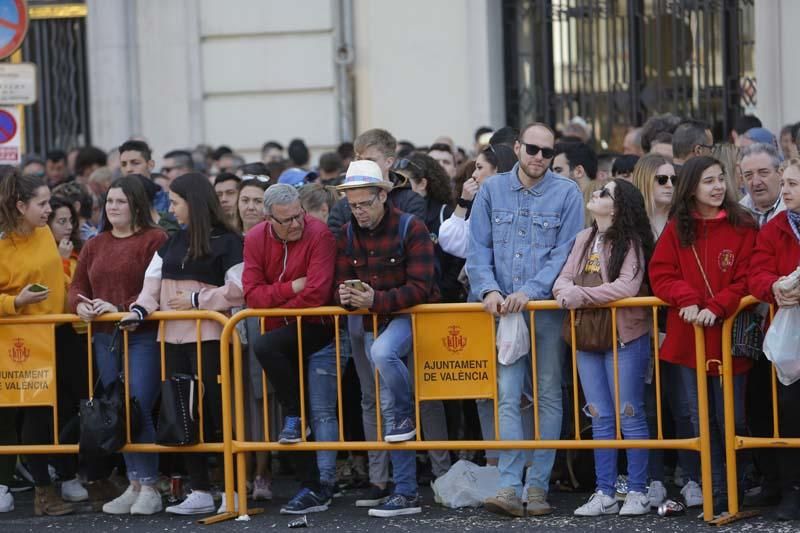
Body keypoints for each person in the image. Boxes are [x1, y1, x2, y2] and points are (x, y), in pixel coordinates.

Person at [468, 123, 584, 517]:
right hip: (502, 310)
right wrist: (489, 291)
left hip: (545, 310)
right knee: (507, 395)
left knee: (549, 393)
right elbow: (477, 248)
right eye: (531, 149)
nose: (538, 157)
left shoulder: (567, 193)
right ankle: (508, 485)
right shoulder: (491, 190)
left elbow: (564, 254)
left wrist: (529, 291)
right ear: (516, 147)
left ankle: (537, 488)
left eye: (546, 152)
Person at [122, 172, 244, 516]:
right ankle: (200, 489)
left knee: (220, 413)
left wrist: (196, 299)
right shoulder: (171, 242)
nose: (170, 209)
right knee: (183, 414)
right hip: (172, 338)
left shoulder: (228, 240)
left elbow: (239, 287)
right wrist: (139, 310)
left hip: (211, 337)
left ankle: (232, 489)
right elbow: (151, 284)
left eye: (175, 202)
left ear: (192, 202)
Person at [649, 156, 757, 516]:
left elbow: (747, 277)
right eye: (708, 180)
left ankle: (738, 485)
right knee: (700, 418)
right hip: (689, 338)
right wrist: (690, 299)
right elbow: (661, 274)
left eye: (721, 178)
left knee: (734, 419)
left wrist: (720, 305)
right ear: (691, 187)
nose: (717, 186)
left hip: (728, 337)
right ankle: (714, 489)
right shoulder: (677, 227)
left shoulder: (743, 223)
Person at [334, 160, 439, 518]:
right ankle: (405, 492)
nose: (359, 211)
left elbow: (422, 288)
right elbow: (343, 283)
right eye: (353, 205)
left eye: (364, 203)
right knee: (388, 409)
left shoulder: (412, 226)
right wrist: (346, 298)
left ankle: (409, 487)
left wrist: (374, 300)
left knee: (389, 377)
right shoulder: (348, 233)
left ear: (384, 195)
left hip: (411, 318)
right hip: (371, 322)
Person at [554, 179, 654, 516]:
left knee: (630, 413)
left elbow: (627, 286)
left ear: (618, 206)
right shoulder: (583, 238)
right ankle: (604, 491)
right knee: (599, 415)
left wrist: (581, 296)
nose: (596, 193)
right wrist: (568, 292)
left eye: (605, 192)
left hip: (625, 334)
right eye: (599, 189)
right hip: (587, 337)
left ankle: (638, 490)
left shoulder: (632, 242)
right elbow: (561, 280)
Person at [68, 176, 167, 515]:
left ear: (136, 204)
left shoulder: (155, 239)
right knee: (115, 410)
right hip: (103, 336)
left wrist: (119, 307)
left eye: (120, 202)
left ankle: (150, 485)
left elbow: (155, 289)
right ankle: (135, 482)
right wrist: (80, 305)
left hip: (141, 333)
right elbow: (77, 285)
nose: (112, 207)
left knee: (137, 404)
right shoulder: (96, 244)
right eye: (109, 201)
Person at [244, 184, 337, 514]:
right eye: (288, 220)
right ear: (269, 219)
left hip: (316, 327)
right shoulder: (256, 237)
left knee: (266, 349)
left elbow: (317, 293)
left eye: (300, 215)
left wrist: (280, 299)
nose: (297, 223)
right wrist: (291, 287)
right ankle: (310, 486)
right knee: (291, 412)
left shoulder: (319, 233)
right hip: (280, 331)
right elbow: (252, 295)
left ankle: (319, 479)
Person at [0, 172, 74, 516]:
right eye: (42, 203)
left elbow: (57, 278)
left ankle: (72, 477)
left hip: (59, 330)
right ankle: (43, 490)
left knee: (67, 406)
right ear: (20, 206)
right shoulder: (2, 244)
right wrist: (15, 302)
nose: (49, 210)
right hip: (21, 341)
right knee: (35, 415)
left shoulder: (45, 232)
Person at [748, 157, 800, 521]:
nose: (786, 191)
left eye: (794, 184)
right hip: (790, 341)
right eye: (786, 183)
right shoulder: (775, 228)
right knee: (790, 414)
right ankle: (793, 490)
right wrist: (775, 287)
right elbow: (757, 274)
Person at [326, 129, 425, 236]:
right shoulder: (342, 206)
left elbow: (415, 241)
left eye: (369, 160)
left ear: (389, 162)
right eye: (359, 159)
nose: (363, 164)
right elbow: (337, 244)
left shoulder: (410, 201)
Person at [631, 153, 676, 240]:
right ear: (644, 181)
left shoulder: (681, 220)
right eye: (662, 179)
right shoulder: (628, 221)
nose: (670, 185)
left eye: (673, 180)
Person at [739, 143, 785, 226]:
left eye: (763, 173)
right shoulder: (737, 214)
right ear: (742, 180)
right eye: (748, 175)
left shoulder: (795, 210)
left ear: (780, 173)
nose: (756, 182)